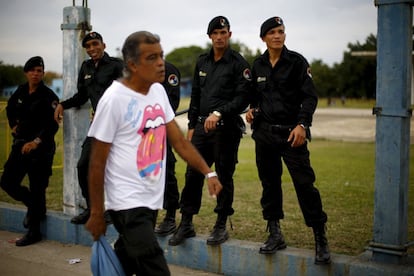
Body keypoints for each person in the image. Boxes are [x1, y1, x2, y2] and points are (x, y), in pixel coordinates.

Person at [85, 31, 222, 276]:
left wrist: (208, 173)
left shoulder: (157, 92)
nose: (161, 62)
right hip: (126, 201)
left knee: (127, 258)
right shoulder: (114, 99)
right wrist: (96, 213)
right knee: (155, 267)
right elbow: (96, 162)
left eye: (161, 55)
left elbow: (179, 142)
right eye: (152, 57)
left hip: (150, 198)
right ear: (132, 65)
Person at [245, 16, 331, 265]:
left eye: (281, 31)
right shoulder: (258, 65)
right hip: (264, 135)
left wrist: (303, 124)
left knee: (305, 186)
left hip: (292, 135)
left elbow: (310, 98)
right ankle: (274, 233)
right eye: (272, 32)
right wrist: (251, 109)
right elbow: (254, 97)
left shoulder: (297, 62)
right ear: (263, 37)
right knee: (269, 185)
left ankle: (320, 237)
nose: (278, 36)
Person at [168, 16, 251, 246]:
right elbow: (196, 95)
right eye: (215, 33)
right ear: (209, 37)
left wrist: (220, 112)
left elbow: (243, 97)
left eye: (223, 33)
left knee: (224, 175)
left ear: (229, 35)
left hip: (226, 129)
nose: (219, 37)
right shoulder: (202, 62)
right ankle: (186, 223)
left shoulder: (238, 63)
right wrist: (192, 126)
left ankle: (221, 225)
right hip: (202, 129)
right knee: (192, 173)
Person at [54, 31, 124, 224]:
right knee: (83, 165)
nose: (92, 49)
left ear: (104, 45)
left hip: (118, 125)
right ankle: (93, 208)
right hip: (99, 126)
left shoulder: (117, 65)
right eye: (88, 46)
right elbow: (82, 96)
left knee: (113, 169)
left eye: (95, 44)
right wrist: (63, 104)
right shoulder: (85, 67)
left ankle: (113, 210)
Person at [0, 56, 59, 246]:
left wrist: (36, 141)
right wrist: (13, 126)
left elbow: (52, 125)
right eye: (32, 70)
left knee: (37, 187)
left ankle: (34, 233)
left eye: (39, 71)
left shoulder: (49, 96)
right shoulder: (20, 91)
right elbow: (10, 108)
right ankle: (34, 207)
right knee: (7, 182)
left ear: (42, 74)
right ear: (26, 72)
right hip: (20, 145)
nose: (36, 73)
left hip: (41, 149)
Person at [154, 61, 181, 236]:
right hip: (140, 132)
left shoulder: (168, 70)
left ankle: (170, 217)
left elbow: (172, 102)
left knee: (166, 171)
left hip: (161, 128)